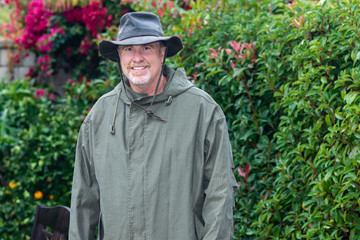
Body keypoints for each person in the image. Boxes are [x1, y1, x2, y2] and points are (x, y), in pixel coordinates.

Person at [69, 11, 237, 240]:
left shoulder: (203, 111)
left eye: (146, 47)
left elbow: (221, 195)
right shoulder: (99, 116)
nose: (137, 58)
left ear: (162, 52)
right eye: (128, 49)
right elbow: (83, 201)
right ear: (118, 55)